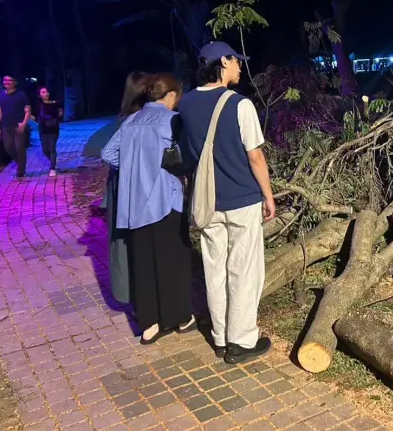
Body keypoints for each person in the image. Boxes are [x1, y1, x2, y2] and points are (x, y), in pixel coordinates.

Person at [178, 41, 275, 364]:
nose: (240, 67)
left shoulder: (186, 104)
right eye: (236, 61)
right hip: (242, 199)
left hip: (207, 202)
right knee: (244, 271)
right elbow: (256, 157)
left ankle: (220, 337)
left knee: (214, 270)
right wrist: (268, 195)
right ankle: (242, 340)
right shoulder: (240, 105)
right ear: (223, 62)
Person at [101, 73, 194, 344]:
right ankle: (179, 317)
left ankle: (149, 324)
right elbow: (184, 155)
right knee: (172, 260)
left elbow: (107, 153)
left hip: (134, 204)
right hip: (166, 199)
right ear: (171, 95)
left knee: (142, 262)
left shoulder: (131, 120)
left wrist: (131, 166)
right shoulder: (171, 120)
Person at [105, 72, 148, 306]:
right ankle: (130, 291)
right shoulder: (133, 120)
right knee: (126, 239)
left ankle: (131, 290)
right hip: (126, 185)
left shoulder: (131, 117)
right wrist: (138, 167)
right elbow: (109, 153)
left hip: (124, 183)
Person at [0, 75, 31, 178]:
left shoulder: (21, 95)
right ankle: (20, 163)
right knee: (8, 147)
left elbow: (28, 109)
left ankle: (21, 170)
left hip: (18, 125)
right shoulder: (1, 95)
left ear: (15, 82)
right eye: (5, 80)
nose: (7, 82)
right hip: (5, 126)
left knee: (20, 148)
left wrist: (24, 123)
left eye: (10, 80)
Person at [34, 87, 63, 177]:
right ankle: (53, 161)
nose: (46, 93)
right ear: (39, 95)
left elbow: (59, 114)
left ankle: (52, 168)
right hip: (43, 130)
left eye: (46, 91)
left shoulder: (55, 104)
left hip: (53, 129)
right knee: (45, 150)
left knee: (52, 148)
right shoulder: (38, 105)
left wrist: (60, 113)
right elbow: (36, 116)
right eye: (43, 92)